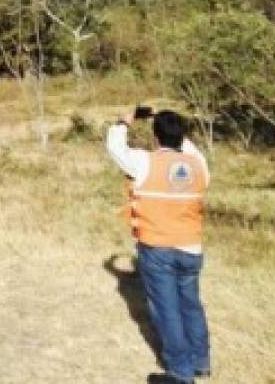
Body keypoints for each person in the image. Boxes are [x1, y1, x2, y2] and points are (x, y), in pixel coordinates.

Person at [107, 108, 211, 384]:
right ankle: (201, 361)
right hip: (191, 247)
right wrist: (175, 128)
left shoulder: (145, 162)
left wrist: (125, 119)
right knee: (190, 304)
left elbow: (115, 147)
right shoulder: (199, 164)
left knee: (167, 309)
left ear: (155, 137)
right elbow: (188, 147)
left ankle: (180, 372)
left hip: (158, 247)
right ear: (183, 136)